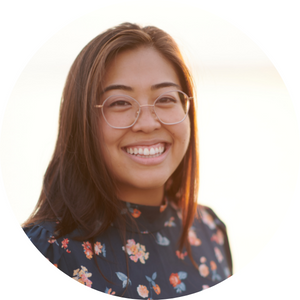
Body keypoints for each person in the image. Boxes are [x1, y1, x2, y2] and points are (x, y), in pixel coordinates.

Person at [23, 22, 232, 298]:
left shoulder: (210, 232)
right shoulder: (44, 252)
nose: (147, 123)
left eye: (166, 98)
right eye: (120, 102)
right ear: (82, 121)